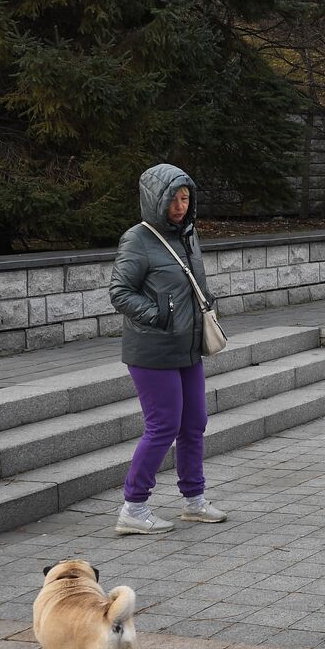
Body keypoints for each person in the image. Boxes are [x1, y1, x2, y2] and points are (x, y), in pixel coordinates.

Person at [108, 164, 227, 535]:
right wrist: (159, 316)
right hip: (152, 348)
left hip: (187, 346)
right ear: (154, 200)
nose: (179, 205)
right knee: (163, 427)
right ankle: (134, 507)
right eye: (172, 198)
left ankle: (193, 501)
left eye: (185, 197)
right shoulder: (137, 239)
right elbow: (119, 292)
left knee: (194, 424)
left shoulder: (188, 235)